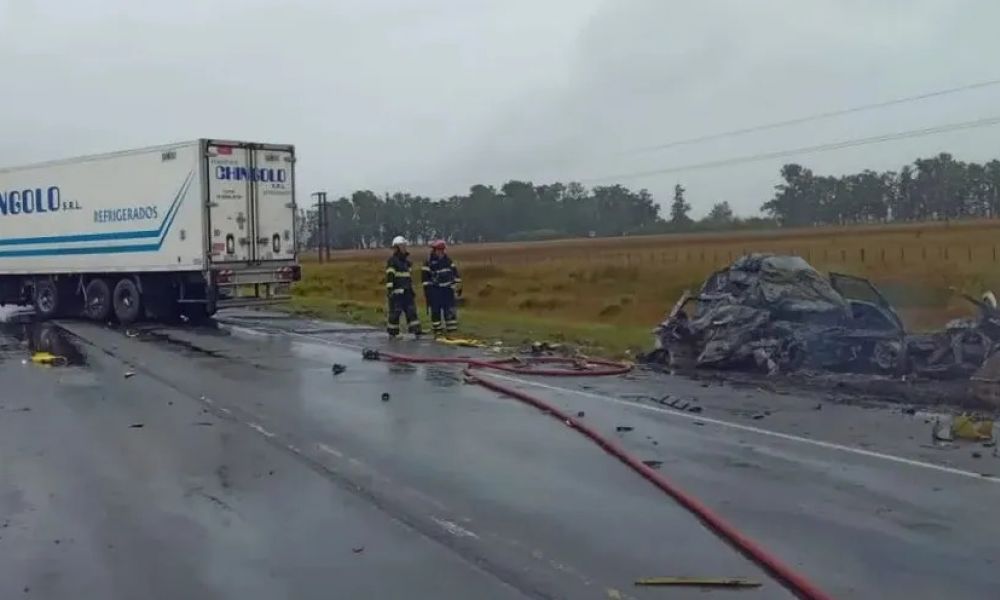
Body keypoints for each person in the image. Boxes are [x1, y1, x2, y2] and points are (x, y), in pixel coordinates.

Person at [421, 239, 462, 335]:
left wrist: (458, 286)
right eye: (439, 250)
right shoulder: (428, 263)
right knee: (436, 312)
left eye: (442, 250)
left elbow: (455, 274)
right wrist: (428, 293)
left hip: (448, 291)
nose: (441, 252)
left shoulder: (448, 261)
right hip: (435, 292)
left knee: (450, 312)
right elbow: (425, 280)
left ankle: (452, 331)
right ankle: (437, 331)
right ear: (434, 250)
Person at [384, 236, 422, 338]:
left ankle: (416, 330)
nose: (405, 247)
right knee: (395, 313)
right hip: (397, 293)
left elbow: (407, 278)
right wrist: (391, 291)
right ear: (397, 247)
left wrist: (411, 289)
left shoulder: (405, 262)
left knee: (411, 311)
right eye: (402, 245)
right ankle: (393, 333)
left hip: (407, 291)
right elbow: (390, 278)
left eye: (405, 245)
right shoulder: (392, 261)